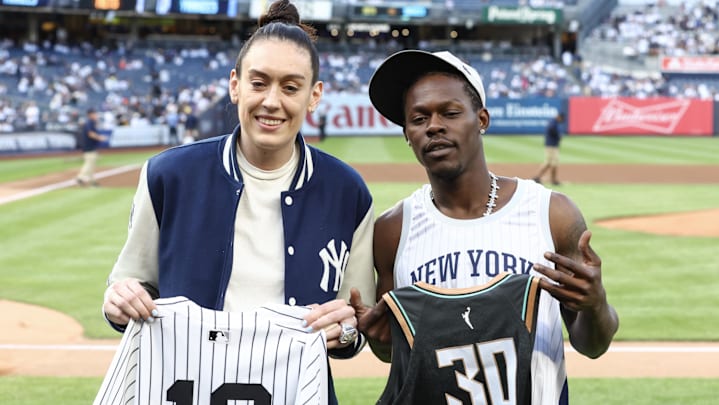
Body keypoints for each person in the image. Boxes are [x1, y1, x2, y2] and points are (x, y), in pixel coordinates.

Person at [101, 1, 376, 403]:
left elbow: (355, 324)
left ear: (314, 96)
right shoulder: (168, 175)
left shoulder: (347, 191)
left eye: (290, 87)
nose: (271, 101)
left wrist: (347, 329)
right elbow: (128, 291)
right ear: (235, 85)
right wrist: (120, 301)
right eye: (259, 82)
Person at [351, 50, 619, 403]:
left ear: (482, 119)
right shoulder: (391, 231)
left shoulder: (551, 213)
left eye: (450, 113)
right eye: (418, 118)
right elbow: (390, 351)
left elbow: (592, 344)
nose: (433, 126)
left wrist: (595, 304)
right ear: (407, 133)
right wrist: (382, 342)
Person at [75, 108, 108, 187]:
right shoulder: (90, 122)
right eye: (94, 114)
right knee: (89, 163)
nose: (96, 115)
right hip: (89, 147)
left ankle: (92, 181)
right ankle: (80, 177)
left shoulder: (90, 122)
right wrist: (100, 138)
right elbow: (90, 134)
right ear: (90, 115)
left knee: (91, 164)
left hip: (89, 147)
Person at [533, 111, 565, 186]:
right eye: (561, 119)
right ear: (559, 117)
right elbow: (551, 130)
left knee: (550, 163)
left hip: (552, 145)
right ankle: (551, 180)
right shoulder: (553, 122)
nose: (561, 120)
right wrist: (558, 136)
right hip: (551, 145)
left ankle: (539, 177)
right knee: (552, 163)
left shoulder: (554, 122)